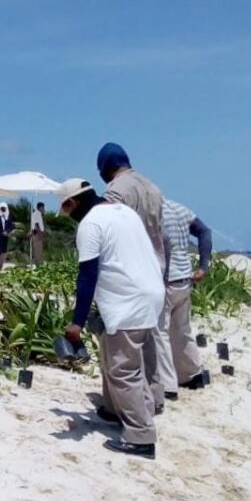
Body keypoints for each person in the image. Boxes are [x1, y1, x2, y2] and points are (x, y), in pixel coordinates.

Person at [59, 179, 165, 459]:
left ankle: (141, 436)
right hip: (151, 295)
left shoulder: (90, 224)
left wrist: (77, 323)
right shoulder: (124, 212)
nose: (67, 216)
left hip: (127, 303)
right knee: (127, 363)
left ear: (73, 202)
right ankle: (118, 411)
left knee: (122, 370)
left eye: (66, 210)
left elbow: (87, 275)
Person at [96, 143, 168, 410]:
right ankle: (155, 397)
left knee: (120, 350)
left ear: (106, 167)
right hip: (155, 271)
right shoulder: (153, 187)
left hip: (128, 274)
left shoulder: (117, 190)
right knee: (149, 341)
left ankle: (121, 407)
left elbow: (108, 229)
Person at [158, 199, 214, 395]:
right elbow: (204, 231)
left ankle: (167, 385)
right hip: (184, 278)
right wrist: (203, 266)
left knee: (160, 333)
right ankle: (191, 375)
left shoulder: (149, 211)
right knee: (182, 330)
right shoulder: (178, 209)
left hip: (165, 280)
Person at [30, 201, 46, 266]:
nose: (44, 209)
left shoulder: (38, 214)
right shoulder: (37, 214)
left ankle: (39, 263)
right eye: (43, 208)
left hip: (37, 234)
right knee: (37, 251)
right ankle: (38, 264)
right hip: (37, 234)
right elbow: (36, 225)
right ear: (40, 207)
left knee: (39, 250)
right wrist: (40, 234)